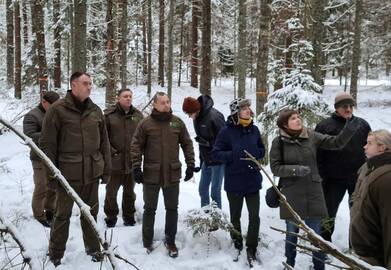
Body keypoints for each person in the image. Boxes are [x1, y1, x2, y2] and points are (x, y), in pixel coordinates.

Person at [269, 108, 359, 270]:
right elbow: (275, 168)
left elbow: (335, 142)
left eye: (298, 117)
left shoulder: (311, 136)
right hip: (291, 193)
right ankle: (290, 264)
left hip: (313, 192)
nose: (298, 120)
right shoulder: (278, 142)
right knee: (292, 235)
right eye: (293, 119)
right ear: (284, 124)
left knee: (317, 237)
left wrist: (349, 129)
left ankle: (319, 266)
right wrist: (295, 170)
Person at [40, 72, 111, 266]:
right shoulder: (57, 110)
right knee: (61, 216)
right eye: (86, 83)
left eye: (91, 83)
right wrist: (52, 175)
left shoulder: (95, 110)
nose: (90, 87)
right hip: (66, 176)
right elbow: (47, 145)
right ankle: (55, 255)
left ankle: (94, 250)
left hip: (92, 173)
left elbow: (104, 142)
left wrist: (106, 170)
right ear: (74, 85)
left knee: (91, 215)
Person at [130, 92, 195, 258]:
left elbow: (187, 143)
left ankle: (170, 240)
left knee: (172, 209)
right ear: (155, 105)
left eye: (168, 102)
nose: (167, 105)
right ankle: (147, 241)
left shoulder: (177, 122)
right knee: (149, 209)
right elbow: (135, 146)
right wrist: (136, 167)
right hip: (151, 174)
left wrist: (190, 165)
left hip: (172, 174)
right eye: (163, 102)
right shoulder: (146, 124)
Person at [212, 98, 265, 264]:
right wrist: (234, 155)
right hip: (234, 180)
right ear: (236, 112)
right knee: (235, 217)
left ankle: (251, 247)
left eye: (249, 107)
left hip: (252, 180)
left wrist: (255, 153)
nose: (248, 110)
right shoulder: (226, 131)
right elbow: (216, 153)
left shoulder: (254, 129)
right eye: (244, 108)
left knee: (254, 216)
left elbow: (262, 150)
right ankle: (237, 243)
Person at [316, 92, 371, 243]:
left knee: (358, 215)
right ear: (336, 108)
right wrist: (321, 175)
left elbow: (369, 149)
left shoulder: (362, 124)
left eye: (350, 106)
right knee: (328, 214)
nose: (348, 109)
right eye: (344, 106)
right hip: (333, 180)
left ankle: (356, 246)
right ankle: (325, 243)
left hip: (358, 179)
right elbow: (317, 154)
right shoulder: (324, 125)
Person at [350, 130, 391, 269]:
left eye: (369, 143)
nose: (364, 146)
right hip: (367, 257)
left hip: (378, 258)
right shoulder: (368, 167)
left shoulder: (386, 177)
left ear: (382, 147)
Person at [103, 88, 143, 227]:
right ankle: (111, 216)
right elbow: (103, 138)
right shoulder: (109, 116)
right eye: (125, 96)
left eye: (130, 96)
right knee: (111, 192)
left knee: (129, 193)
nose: (128, 98)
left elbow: (142, 138)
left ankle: (129, 216)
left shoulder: (138, 116)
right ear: (118, 98)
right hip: (114, 162)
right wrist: (112, 152)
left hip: (131, 162)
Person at [23, 91, 60, 227]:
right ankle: (39, 215)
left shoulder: (55, 112)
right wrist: (51, 134)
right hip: (39, 158)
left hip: (54, 157)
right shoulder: (32, 116)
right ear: (44, 102)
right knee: (41, 187)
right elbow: (29, 136)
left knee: (53, 186)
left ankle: (50, 209)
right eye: (53, 105)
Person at [182, 95, 225, 209]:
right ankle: (205, 216)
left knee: (215, 191)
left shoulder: (214, 116)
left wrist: (209, 144)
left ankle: (217, 219)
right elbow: (202, 141)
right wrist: (201, 163)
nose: (189, 117)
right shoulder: (197, 118)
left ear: (196, 110)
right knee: (202, 189)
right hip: (207, 158)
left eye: (189, 114)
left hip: (218, 159)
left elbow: (225, 139)